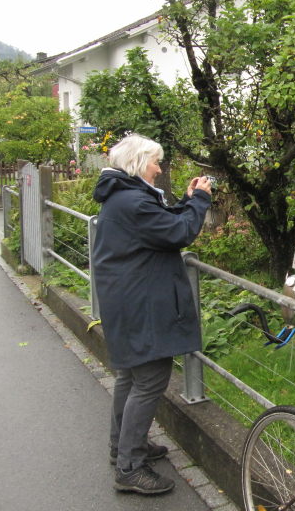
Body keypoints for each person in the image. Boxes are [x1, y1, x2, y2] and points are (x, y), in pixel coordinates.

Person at [91, 134, 212, 495]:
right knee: (149, 381)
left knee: (129, 376)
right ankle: (130, 468)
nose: (159, 169)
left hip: (127, 300)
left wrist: (186, 200)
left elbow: (159, 224)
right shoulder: (133, 201)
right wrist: (201, 202)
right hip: (141, 305)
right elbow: (179, 232)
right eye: (156, 162)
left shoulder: (125, 197)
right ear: (138, 163)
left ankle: (124, 448)